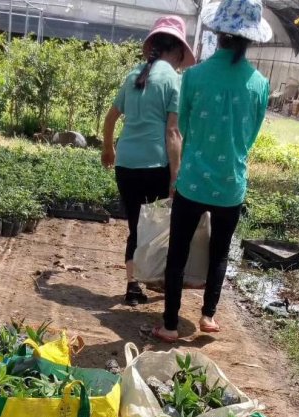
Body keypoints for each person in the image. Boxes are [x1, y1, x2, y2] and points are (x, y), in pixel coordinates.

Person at [154, 0, 271, 341]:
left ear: (218, 33)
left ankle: (171, 325)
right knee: (220, 252)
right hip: (231, 183)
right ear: (249, 39)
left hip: (192, 181)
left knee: (178, 252)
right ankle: (207, 316)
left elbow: (183, 128)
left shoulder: (193, 76)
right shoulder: (259, 84)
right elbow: (250, 137)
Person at [102, 16, 195, 306]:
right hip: (155, 167)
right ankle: (154, 278)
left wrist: (108, 149)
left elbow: (110, 118)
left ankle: (132, 287)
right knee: (154, 228)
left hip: (126, 165)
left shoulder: (133, 76)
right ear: (179, 51)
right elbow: (172, 132)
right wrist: (175, 175)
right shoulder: (174, 81)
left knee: (135, 226)